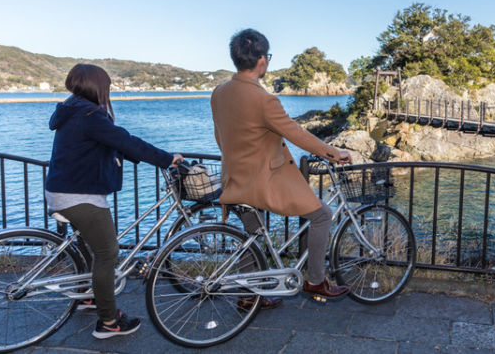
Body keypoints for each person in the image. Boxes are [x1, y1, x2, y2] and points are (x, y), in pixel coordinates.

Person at [210, 28, 352, 307]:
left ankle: (249, 296)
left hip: (234, 177)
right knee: (322, 215)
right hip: (263, 179)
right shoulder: (264, 99)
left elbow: (220, 134)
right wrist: (333, 153)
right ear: (262, 60)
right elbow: (296, 134)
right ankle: (316, 280)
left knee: (252, 236)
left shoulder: (219, 92)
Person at [45, 64, 183, 339]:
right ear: (97, 86)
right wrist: (167, 159)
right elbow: (126, 140)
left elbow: (111, 142)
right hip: (79, 196)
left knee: (92, 249)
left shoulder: (74, 109)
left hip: (62, 190)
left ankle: (88, 295)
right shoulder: (90, 115)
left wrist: (141, 154)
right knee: (108, 252)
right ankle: (109, 322)